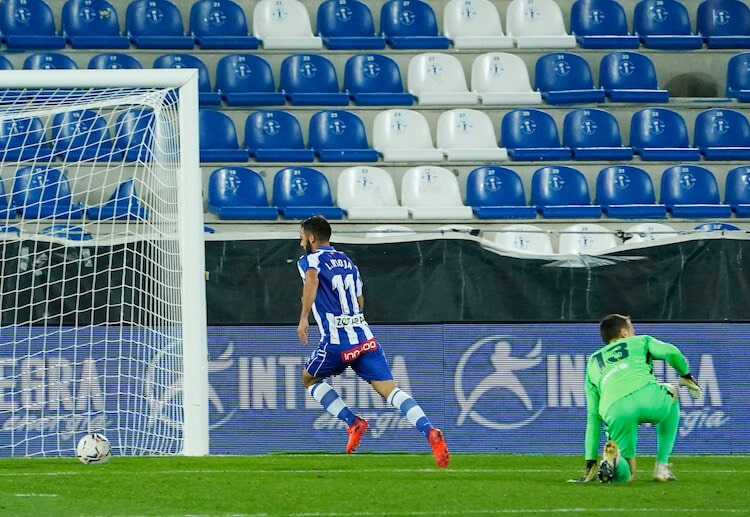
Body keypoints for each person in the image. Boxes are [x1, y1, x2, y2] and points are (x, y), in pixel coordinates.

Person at [296, 215, 450, 468]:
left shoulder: (309, 260)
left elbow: (312, 281)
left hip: (337, 340)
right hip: (364, 337)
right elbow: (360, 300)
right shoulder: (348, 262)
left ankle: (352, 422)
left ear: (311, 238)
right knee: (392, 391)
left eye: (302, 235)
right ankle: (429, 430)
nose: (300, 240)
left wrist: (303, 318)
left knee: (309, 379)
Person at [574, 314, 702, 483]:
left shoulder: (592, 362)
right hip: (647, 397)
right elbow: (671, 352)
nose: (634, 331)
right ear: (624, 333)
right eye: (631, 328)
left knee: (626, 475)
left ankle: (615, 461)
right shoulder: (641, 341)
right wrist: (686, 374)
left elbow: (593, 418)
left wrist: (590, 462)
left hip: (615, 409)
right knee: (672, 391)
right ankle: (661, 466)